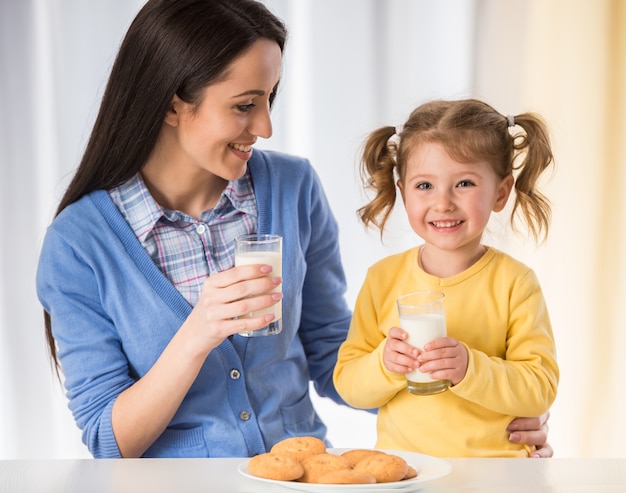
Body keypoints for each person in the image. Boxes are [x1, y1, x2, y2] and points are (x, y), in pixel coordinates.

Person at [36, 0, 552, 459]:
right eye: (244, 104)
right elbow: (109, 440)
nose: (265, 127)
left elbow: (336, 361)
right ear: (173, 103)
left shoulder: (292, 187)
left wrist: (483, 415)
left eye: (269, 99)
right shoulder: (80, 244)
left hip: (305, 474)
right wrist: (197, 334)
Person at [333, 99, 559, 457]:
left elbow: (540, 387)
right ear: (403, 190)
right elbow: (348, 383)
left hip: (495, 473)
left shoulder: (515, 283)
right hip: (408, 472)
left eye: (464, 183)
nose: (443, 203)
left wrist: (471, 367)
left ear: (500, 193)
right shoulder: (382, 280)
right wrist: (384, 364)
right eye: (424, 186)